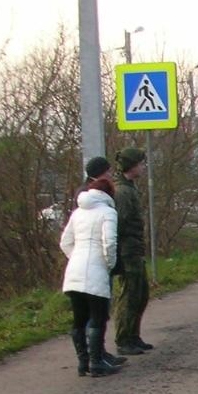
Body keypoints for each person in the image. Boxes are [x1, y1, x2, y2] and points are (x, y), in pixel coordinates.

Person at [59, 157, 121, 377]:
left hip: (74, 271)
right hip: (95, 270)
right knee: (97, 316)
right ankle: (97, 362)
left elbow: (65, 242)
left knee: (79, 319)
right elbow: (110, 242)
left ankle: (83, 363)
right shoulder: (108, 212)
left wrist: (75, 256)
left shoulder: (78, 212)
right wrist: (109, 264)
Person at [112, 147, 153, 356]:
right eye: (141, 164)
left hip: (135, 250)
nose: (144, 167)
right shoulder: (123, 192)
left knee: (140, 294)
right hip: (127, 252)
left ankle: (133, 335)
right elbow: (118, 225)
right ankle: (124, 338)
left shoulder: (129, 188)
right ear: (133, 165)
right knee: (129, 295)